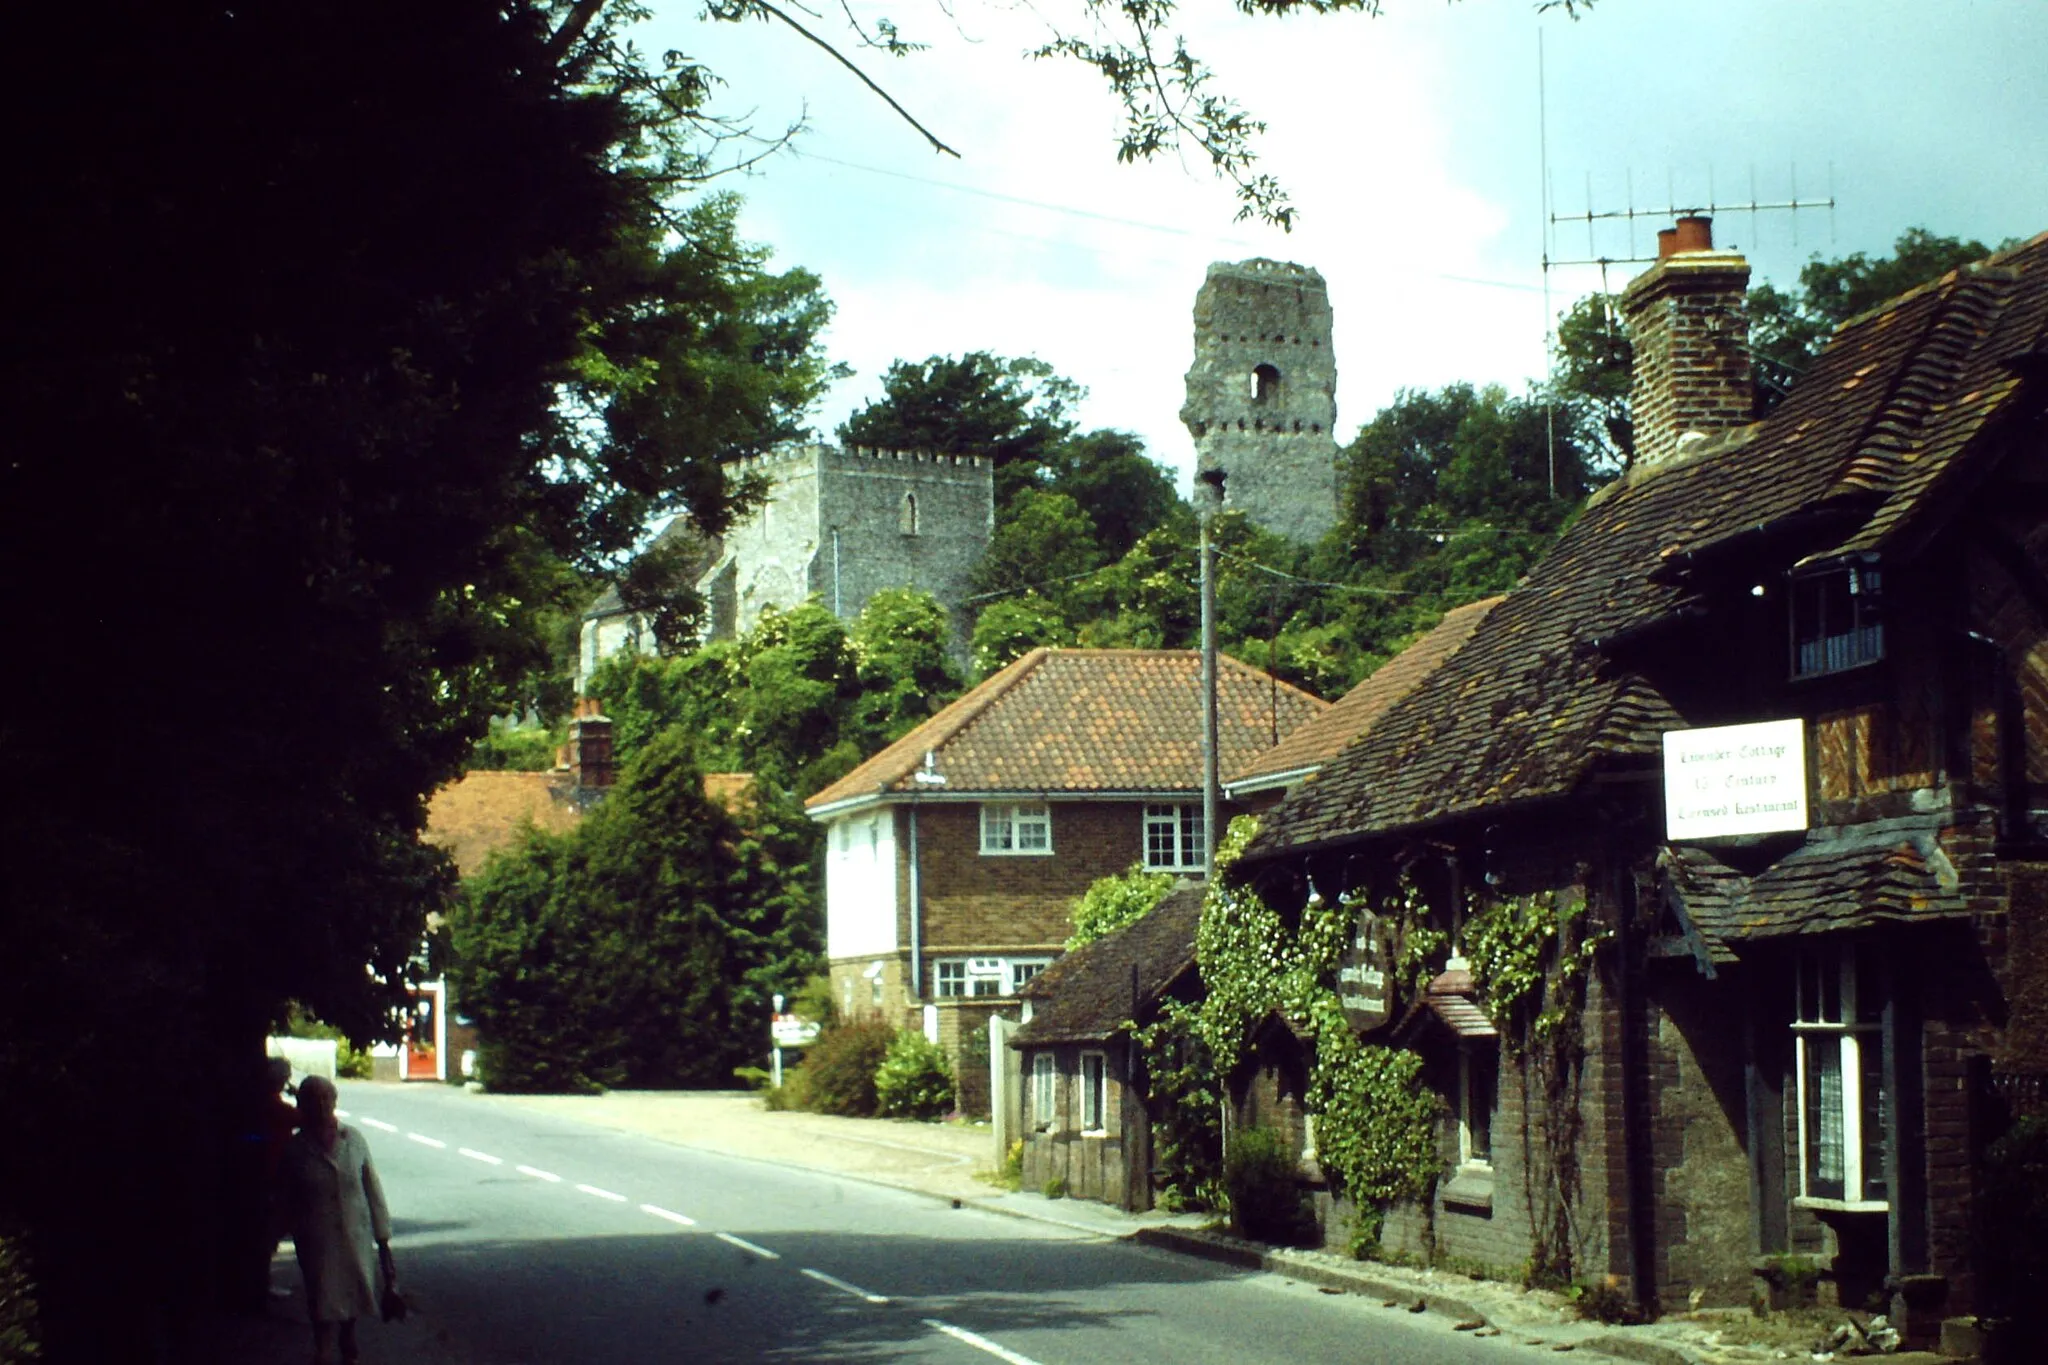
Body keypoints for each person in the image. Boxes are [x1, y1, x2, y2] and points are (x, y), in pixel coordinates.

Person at [279, 1075, 395, 1365]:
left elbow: (373, 1188)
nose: (321, 1104)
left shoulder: (353, 1139)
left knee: (352, 1289)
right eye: (313, 1099)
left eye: (326, 1098)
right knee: (321, 1294)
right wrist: (286, 1228)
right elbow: (285, 1195)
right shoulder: (295, 1148)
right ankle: (323, 1349)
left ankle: (348, 1342)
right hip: (316, 1234)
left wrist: (383, 1238)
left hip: (354, 1231)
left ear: (334, 1100)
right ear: (302, 1104)